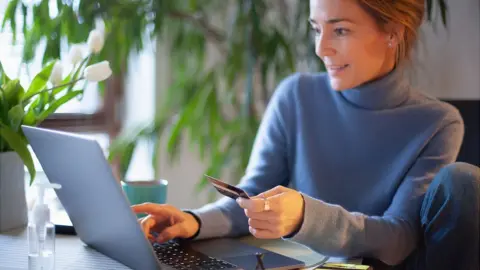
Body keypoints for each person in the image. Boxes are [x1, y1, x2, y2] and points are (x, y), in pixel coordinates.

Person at [131, 0, 480, 269]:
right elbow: (249, 200)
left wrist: (305, 216)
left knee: (465, 181)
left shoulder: (437, 122)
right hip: (294, 266)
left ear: (393, 33)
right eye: (316, 29)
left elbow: (398, 238)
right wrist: (192, 221)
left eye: (340, 30)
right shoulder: (295, 96)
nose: (321, 48)